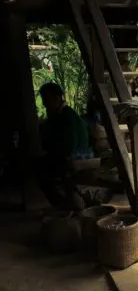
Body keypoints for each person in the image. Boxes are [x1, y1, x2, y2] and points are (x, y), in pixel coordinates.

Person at [36, 82, 91, 210]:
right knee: (39, 165)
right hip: (66, 155)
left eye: (46, 100)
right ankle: (65, 204)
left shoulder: (68, 117)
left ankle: (65, 205)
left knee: (42, 169)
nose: (44, 104)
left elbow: (68, 148)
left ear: (57, 98)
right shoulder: (56, 116)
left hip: (78, 157)